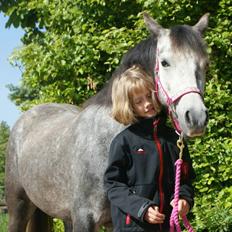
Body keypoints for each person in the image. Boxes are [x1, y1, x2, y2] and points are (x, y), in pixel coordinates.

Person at [104, 65, 195, 232]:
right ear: (129, 106)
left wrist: (184, 199)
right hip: (133, 227)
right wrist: (142, 208)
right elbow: (113, 185)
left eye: (149, 96)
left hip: (167, 226)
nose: (147, 104)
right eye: (139, 101)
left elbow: (186, 180)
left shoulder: (175, 139)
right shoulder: (123, 142)